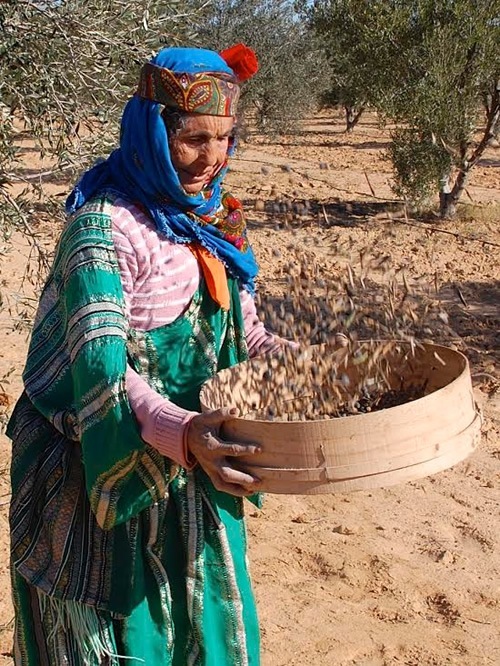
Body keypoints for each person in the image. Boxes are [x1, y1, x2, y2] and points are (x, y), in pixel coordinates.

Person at [7, 44, 288, 666]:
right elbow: (102, 370)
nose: (210, 158)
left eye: (224, 138)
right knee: (127, 640)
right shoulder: (104, 228)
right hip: (106, 471)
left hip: (198, 461)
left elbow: (243, 333)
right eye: (191, 137)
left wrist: (304, 365)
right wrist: (181, 431)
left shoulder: (214, 223)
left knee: (208, 625)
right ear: (151, 131)